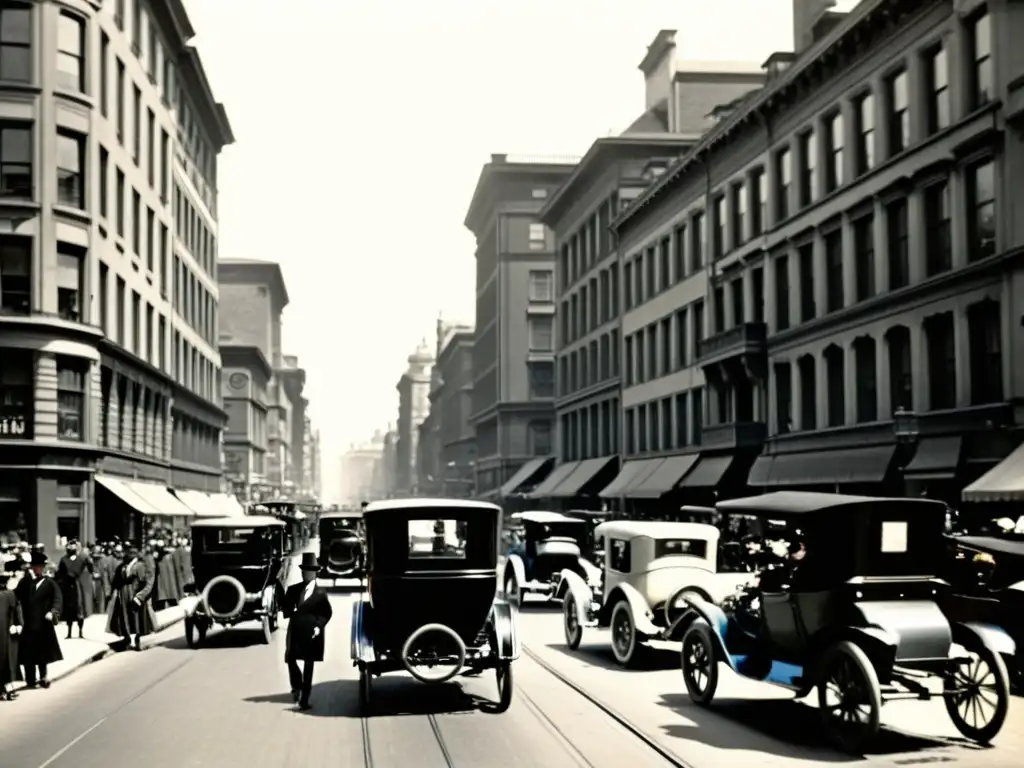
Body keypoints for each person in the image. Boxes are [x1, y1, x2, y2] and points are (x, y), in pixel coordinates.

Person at [281, 553, 333, 710]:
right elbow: (286, 609)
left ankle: (305, 697)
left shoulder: (320, 594)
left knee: (308, 664)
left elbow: (327, 613)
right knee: (291, 658)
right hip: (295, 631)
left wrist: (319, 625)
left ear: (315, 573)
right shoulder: (293, 590)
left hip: (312, 633)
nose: (305, 574)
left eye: (309, 571)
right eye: (304, 571)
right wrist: (285, 601)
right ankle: (297, 685)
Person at [14, 551, 63, 688]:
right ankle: (30, 679)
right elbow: (15, 596)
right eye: (37, 567)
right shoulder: (25, 582)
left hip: (43, 623)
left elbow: (57, 600)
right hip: (28, 623)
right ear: (33, 567)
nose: (40, 569)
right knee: (28, 653)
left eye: (42, 567)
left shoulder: (49, 583)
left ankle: (43, 676)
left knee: (43, 653)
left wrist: (53, 612)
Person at [105, 546, 156, 651]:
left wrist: (140, 596)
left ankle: (138, 638)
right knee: (124, 616)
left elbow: (144, 581)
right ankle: (127, 638)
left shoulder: (140, 566)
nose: (128, 554)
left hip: (134, 592)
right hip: (124, 593)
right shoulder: (122, 566)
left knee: (136, 616)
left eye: (131, 552)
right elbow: (117, 581)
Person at [57, 540, 95, 639]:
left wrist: (89, 561)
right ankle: (69, 632)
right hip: (67, 586)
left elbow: (91, 568)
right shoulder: (64, 559)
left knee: (79, 608)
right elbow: (60, 573)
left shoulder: (82, 558)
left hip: (77, 584)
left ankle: (80, 631)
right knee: (69, 608)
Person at [1, 575, 22, 700]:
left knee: (7, 659)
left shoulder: (9, 595)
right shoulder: (9, 595)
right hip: (4, 632)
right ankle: (6, 689)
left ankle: (7, 688)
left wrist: (17, 624)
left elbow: (15, 611)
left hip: (6, 631)